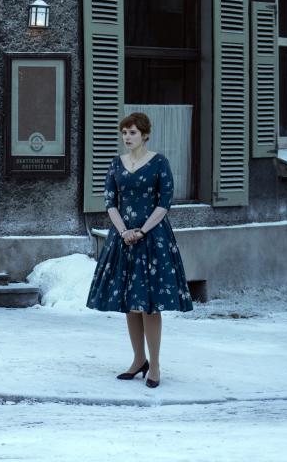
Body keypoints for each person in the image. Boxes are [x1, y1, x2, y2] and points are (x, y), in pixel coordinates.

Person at [85, 112, 194, 389]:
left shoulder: (159, 162)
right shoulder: (116, 164)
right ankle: (138, 360)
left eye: (132, 132)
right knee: (130, 305)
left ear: (145, 134)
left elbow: (165, 202)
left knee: (149, 305)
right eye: (124, 133)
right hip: (123, 239)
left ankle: (154, 365)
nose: (127, 137)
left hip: (152, 238)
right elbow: (110, 202)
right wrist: (123, 232)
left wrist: (142, 231)